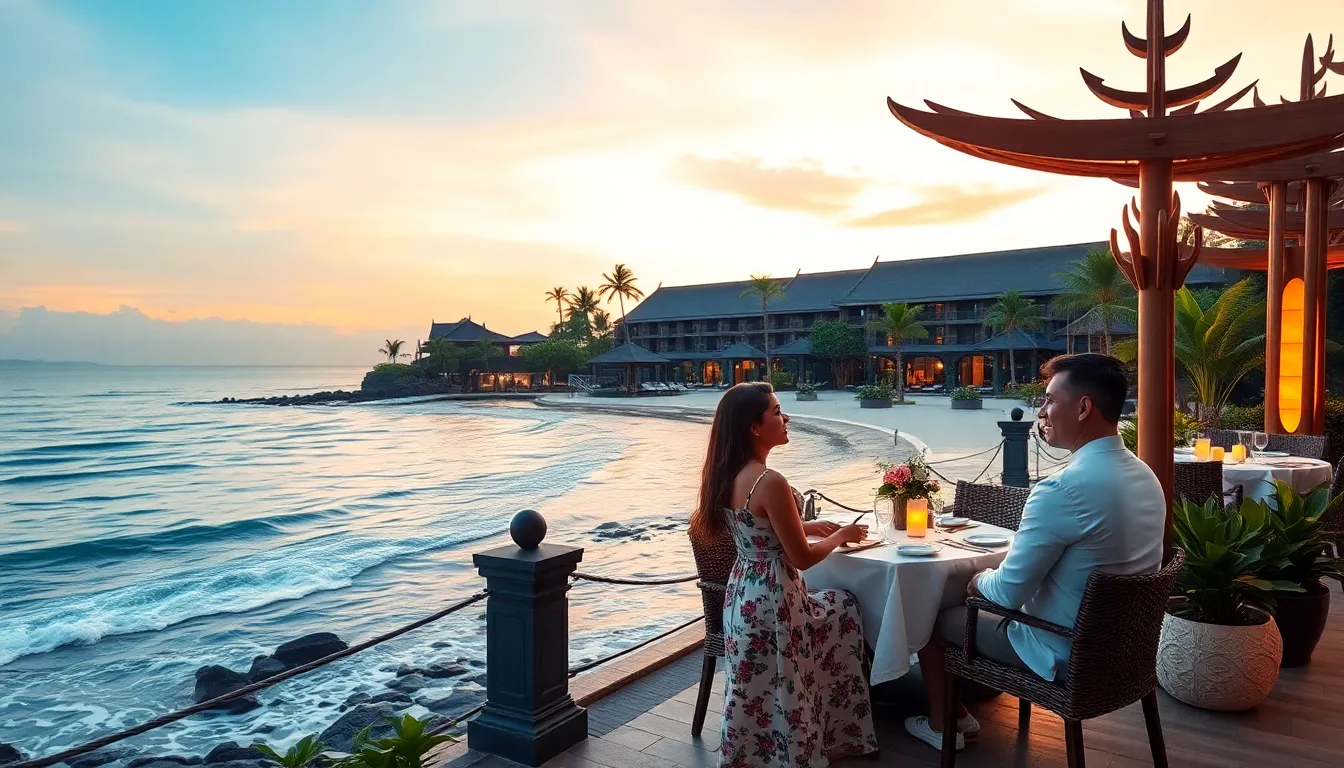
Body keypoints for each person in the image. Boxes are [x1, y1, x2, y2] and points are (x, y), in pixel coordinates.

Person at [905, 353, 1165, 752]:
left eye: (1048, 400)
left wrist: (975, 581)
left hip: (1059, 649)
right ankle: (959, 713)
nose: (1041, 412)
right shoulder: (1145, 475)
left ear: (1083, 408)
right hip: (1123, 650)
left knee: (932, 620)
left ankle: (944, 726)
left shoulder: (1063, 489)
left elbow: (1007, 592)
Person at [689, 382, 879, 768]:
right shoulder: (769, 481)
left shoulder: (726, 475)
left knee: (761, 681)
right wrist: (841, 535)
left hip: (742, 596)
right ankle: (837, 735)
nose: (786, 417)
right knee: (846, 608)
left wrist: (809, 525)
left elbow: (756, 527)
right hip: (775, 598)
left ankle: (757, 752)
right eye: (777, 412)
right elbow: (803, 559)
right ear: (754, 427)